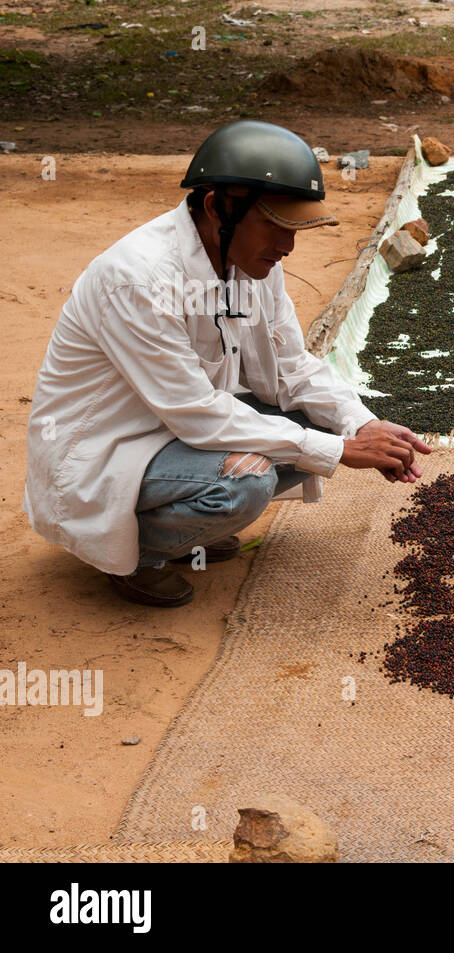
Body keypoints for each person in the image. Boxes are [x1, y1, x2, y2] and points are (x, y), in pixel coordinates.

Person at [23, 120, 430, 607]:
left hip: (176, 433)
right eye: (276, 226)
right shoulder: (139, 278)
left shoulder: (252, 263)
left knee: (312, 425)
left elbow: (290, 366)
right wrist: (338, 450)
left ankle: (183, 525)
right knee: (249, 480)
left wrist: (360, 425)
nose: (287, 246)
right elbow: (194, 410)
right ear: (218, 207)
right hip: (109, 448)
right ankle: (138, 552)